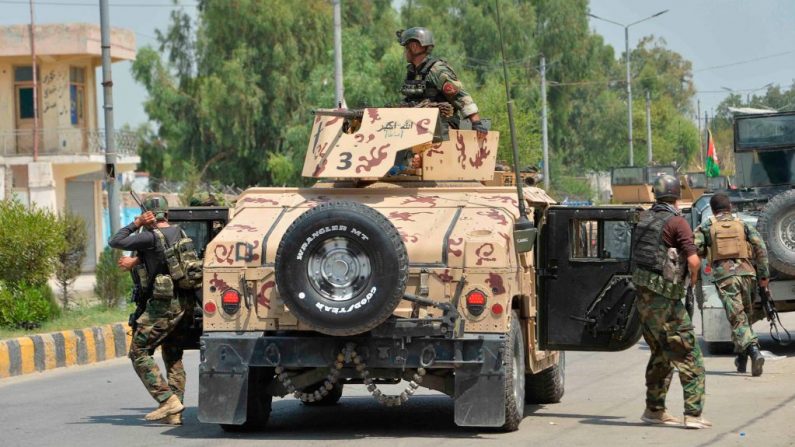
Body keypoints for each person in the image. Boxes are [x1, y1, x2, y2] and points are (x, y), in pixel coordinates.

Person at [630, 174, 710, 429]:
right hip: (666, 301)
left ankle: (654, 410)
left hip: (643, 299)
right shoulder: (677, 222)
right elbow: (694, 261)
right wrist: (692, 281)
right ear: (677, 195)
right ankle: (693, 415)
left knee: (661, 354)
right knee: (690, 356)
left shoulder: (643, 219)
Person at [109, 195, 194, 425]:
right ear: (166, 213)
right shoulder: (180, 233)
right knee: (173, 356)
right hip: (185, 305)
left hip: (164, 306)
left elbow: (115, 241)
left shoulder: (148, 236)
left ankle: (167, 400)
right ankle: (175, 413)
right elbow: (165, 259)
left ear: (148, 214)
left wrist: (135, 224)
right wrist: (137, 262)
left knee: (138, 352)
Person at [694, 193, 769, 376]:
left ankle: (753, 351)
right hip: (747, 274)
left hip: (726, 277)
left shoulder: (706, 226)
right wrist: (764, 276)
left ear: (713, 209)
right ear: (730, 208)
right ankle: (741, 359)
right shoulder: (742, 224)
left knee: (737, 318)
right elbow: (760, 247)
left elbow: (696, 249)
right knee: (743, 317)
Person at [397, 27, 487, 138]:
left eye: (406, 48)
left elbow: (461, 96)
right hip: (417, 126)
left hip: (442, 127)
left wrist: (476, 123)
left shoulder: (437, 70)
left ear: (414, 47)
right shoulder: (412, 72)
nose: (405, 52)